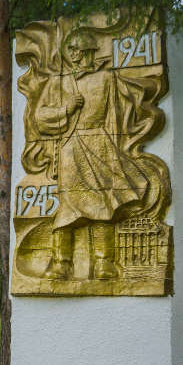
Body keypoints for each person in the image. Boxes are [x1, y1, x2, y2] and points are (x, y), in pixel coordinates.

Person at [31, 28, 150, 280]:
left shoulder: (107, 78)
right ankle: (61, 263)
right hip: (70, 146)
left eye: (77, 49)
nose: (73, 54)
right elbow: (39, 117)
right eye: (69, 49)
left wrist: (120, 147)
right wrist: (65, 109)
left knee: (102, 204)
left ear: (88, 51)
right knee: (68, 206)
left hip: (100, 143)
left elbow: (116, 116)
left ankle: (103, 263)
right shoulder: (58, 81)